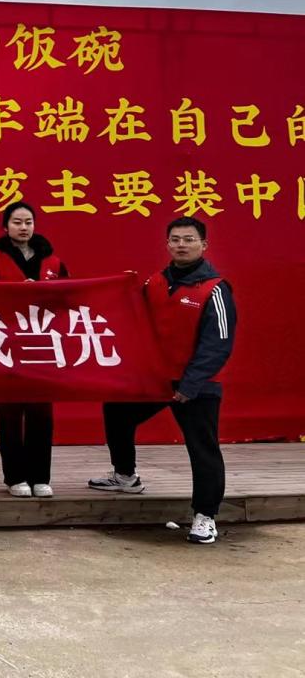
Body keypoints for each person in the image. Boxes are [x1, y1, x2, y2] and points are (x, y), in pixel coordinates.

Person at [89, 216, 236, 545]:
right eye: (175, 239)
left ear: (204, 245)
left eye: (189, 239)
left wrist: (190, 385)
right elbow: (132, 319)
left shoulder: (215, 289)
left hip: (197, 386)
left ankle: (205, 516)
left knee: (203, 449)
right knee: (116, 411)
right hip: (155, 381)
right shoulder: (154, 282)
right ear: (167, 244)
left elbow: (218, 344)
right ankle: (125, 476)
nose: (182, 245)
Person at [0, 201, 69, 499]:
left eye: (28, 222)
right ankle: (15, 476)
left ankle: (40, 476)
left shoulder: (53, 262)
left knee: (41, 414)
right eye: (17, 222)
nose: (23, 227)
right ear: (5, 227)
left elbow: (67, 300)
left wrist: (42, 293)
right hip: (6, 345)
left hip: (42, 346)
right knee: (9, 414)